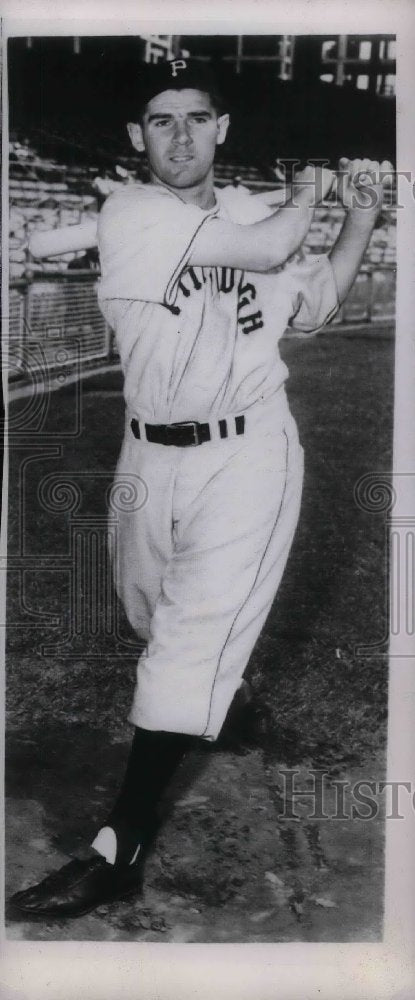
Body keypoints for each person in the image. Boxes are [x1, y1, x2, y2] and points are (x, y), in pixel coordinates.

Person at [9, 58, 387, 920]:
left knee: (183, 640)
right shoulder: (133, 211)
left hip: (249, 450)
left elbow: (316, 300)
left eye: (197, 118)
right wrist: (315, 188)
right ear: (136, 138)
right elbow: (266, 246)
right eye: (161, 121)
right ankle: (232, 689)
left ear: (223, 129)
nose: (180, 135)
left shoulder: (254, 213)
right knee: (149, 615)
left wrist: (357, 214)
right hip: (149, 455)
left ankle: (118, 846)